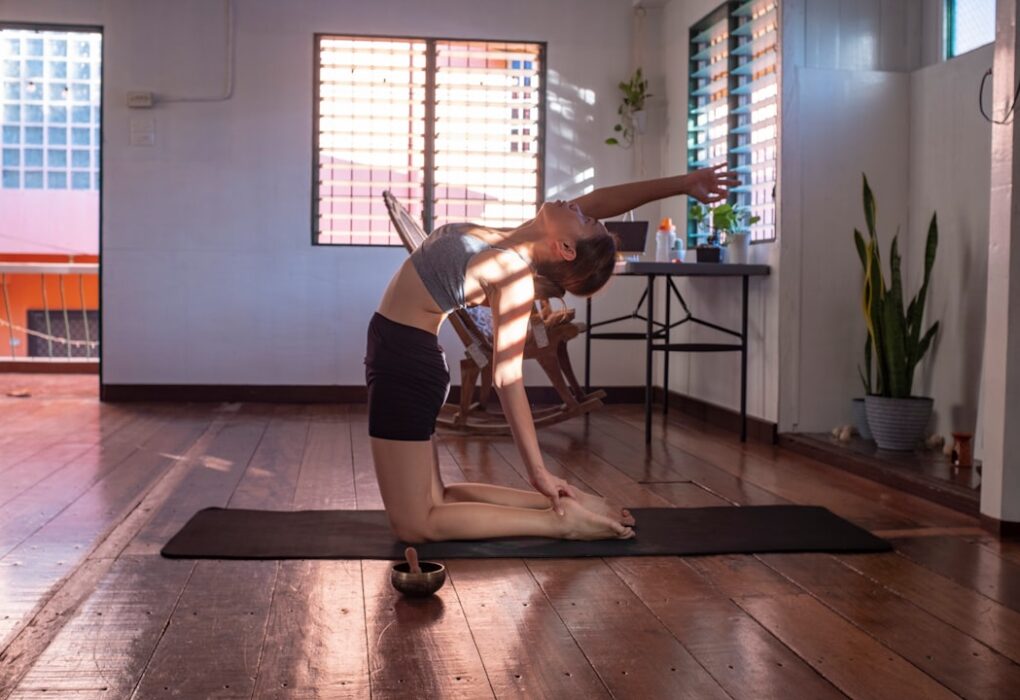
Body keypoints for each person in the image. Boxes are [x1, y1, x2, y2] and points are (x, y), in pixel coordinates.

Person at [365, 165, 739, 542]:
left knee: (416, 525)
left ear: (564, 247)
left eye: (584, 218)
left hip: (405, 363)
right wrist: (682, 184)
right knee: (437, 499)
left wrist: (538, 470)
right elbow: (602, 199)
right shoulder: (510, 241)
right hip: (400, 353)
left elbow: (506, 377)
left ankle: (560, 523)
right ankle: (559, 506)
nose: (579, 206)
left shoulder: (511, 273)